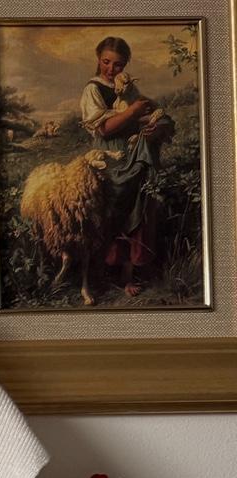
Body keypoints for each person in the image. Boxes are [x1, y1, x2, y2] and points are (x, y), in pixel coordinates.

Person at [78, 35, 171, 298]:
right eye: (106, 62)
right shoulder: (93, 89)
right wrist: (132, 112)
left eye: (118, 64)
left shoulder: (128, 87)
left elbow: (144, 112)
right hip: (109, 159)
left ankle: (129, 276)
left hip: (133, 154)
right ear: (98, 59)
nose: (111, 69)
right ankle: (104, 274)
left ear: (125, 65)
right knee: (112, 213)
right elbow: (104, 129)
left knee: (136, 211)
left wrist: (153, 122)